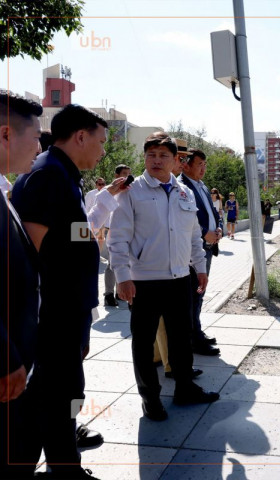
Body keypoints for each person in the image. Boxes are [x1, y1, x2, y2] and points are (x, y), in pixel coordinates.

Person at [12, 104, 108, 479]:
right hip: (51, 321)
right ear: (80, 137)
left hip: (69, 317)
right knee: (49, 401)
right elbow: (29, 257)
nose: (102, 151)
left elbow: (68, 233)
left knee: (67, 397)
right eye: (99, 142)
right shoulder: (48, 175)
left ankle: (65, 463)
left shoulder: (64, 175)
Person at [109, 132, 219, 422]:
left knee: (181, 339)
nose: (156, 160)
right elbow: (117, 239)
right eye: (151, 155)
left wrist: (201, 268)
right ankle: (151, 398)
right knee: (143, 343)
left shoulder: (184, 192)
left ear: (175, 161)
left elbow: (194, 235)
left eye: (163, 156)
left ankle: (185, 388)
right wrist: (122, 276)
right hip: (144, 281)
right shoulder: (131, 192)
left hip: (180, 278)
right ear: (144, 158)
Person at [0, 90, 42, 480]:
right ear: (5, 135)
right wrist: (6, 358)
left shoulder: (4, 190)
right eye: (36, 137)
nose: (39, 147)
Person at [179, 149, 221, 356]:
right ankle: (194, 339)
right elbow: (186, 221)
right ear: (185, 165)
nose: (203, 168)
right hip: (195, 249)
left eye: (205, 164)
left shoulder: (201, 186)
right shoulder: (182, 186)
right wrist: (205, 233)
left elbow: (213, 212)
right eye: (200, 164)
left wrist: (218, 227)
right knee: (194, 295)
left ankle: (197, 331)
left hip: (208, 247)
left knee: (200, 293)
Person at [102, 164, 132, 306]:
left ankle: (119, 292)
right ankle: (108, 294)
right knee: (111, 264)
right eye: (123, 174)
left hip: (124, 231)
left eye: (128, 174)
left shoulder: (129, 191)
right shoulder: (107, 191)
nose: (126, 177)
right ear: (116, 175)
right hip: (106, 231)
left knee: (126, 262)